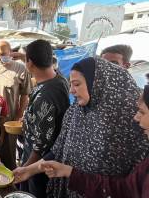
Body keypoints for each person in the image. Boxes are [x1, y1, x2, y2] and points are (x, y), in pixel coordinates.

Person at [13, 57, 149, 198]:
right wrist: (29, 170)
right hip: (70, 190)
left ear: (97, 83)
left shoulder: (128, 121)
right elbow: (57, 150)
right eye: (71, 84)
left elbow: (130, 185)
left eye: (77, 84)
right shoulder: (75, 112)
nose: (71, 90)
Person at [39, 85, 149, 198]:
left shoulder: (120, 123)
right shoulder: (75, 110)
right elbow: (123, 188)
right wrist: (68, 171)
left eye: (142, 112)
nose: (136, 117)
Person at [18, 40, 70, 198]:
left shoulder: (46, 96)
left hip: (39, 162)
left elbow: (40, 146)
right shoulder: (58, 78)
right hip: (43, 155)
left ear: (30, 63)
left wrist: (26, 169)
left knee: (33, 193)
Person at [0, 40, 32, 170]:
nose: (0, 57)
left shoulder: (20, 68)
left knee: (8, 154)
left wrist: (18, 116)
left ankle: (8, 183)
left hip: (9, 120)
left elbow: (25, 95)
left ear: (11, 52)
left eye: (3, 54)